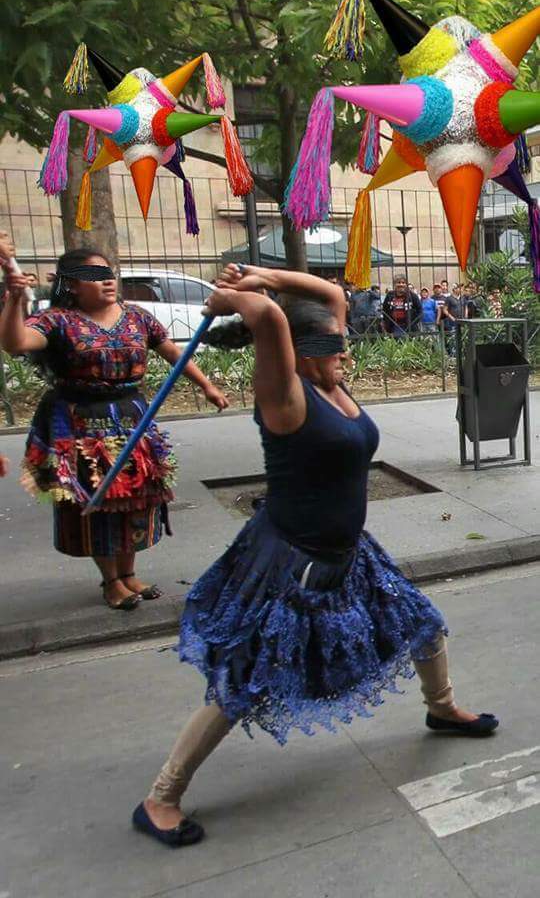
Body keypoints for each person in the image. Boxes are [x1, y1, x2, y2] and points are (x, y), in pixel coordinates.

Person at [132, 263, 498, 848]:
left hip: (351, 553)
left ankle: (443, 708)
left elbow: (328, 292)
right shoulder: (284, 396)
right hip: (291, 562)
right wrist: (234, 299)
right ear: (299, 354)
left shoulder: (331, 383)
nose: (345, 352)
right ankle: (161, 797)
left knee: (424, 625)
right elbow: (268, 316)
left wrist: (257, 272)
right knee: (246, 679)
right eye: (333, 345)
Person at [0, 235, 228, 610]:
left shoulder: (137, 316)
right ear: (71, 285)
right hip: (79, 424)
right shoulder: (57, 321)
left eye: (109, 273)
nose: (107, 281)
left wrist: (207, 385)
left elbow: (173, 352)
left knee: (136, 500)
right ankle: (111, 581)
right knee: (99, 503)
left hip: (132, 419)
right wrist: (12, 299)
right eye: (94, 275)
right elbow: (15, 343)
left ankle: (128, 573)